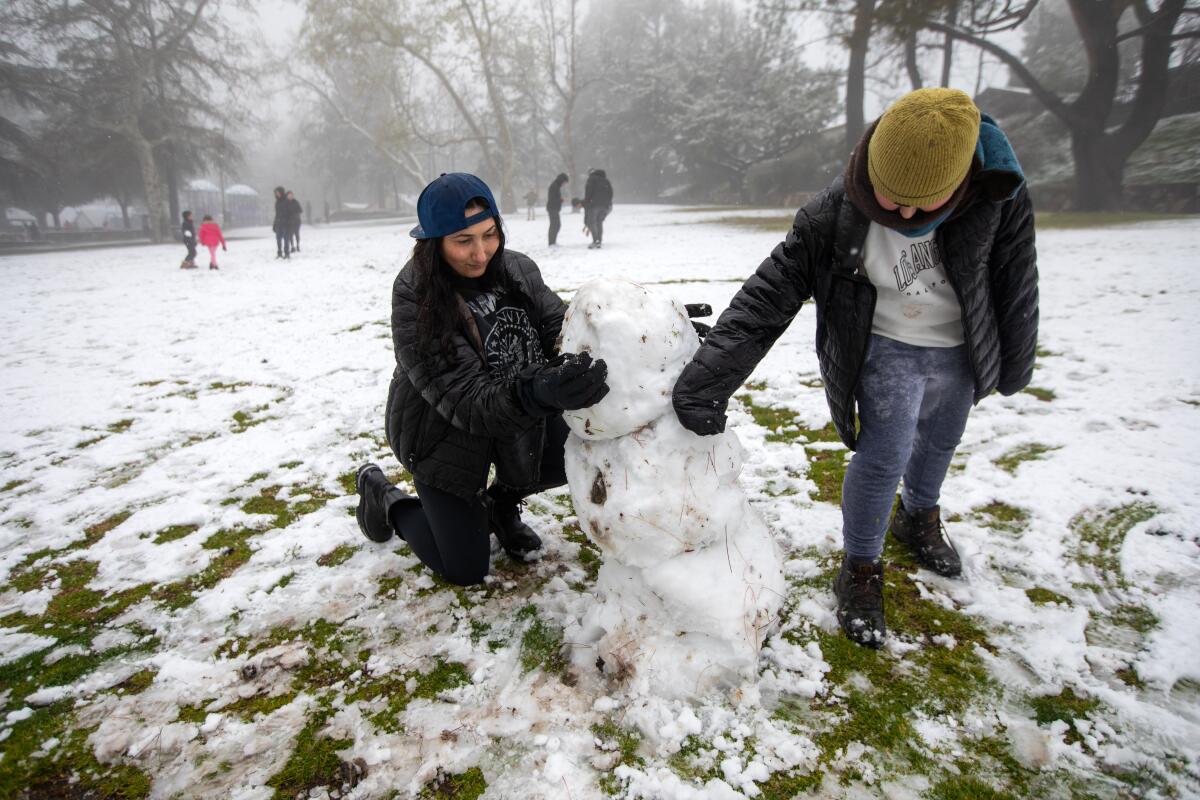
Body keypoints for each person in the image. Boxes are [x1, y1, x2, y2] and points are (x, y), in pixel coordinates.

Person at [671, 88, 1039, 648]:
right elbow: (768, 296)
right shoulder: (834, 210)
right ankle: (860, 566)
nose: (906, 215)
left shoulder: (999, 195)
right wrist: (708, 379)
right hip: (885, 342)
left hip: (957, 346)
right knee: (884, 451)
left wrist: (1014, 360)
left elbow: (1016, 277)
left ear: (961, 184)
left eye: (925, 203)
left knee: (942, 438)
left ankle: (918, 515)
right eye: (891, 201)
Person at [355, 173, 610, 587]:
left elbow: (564, 330)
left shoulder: (517, 270)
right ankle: (386, 498)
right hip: (445, 433)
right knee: (464, 568)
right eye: (463, 241)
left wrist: (632, 334)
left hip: (517, 417)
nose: (480, 253)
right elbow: (468, 400)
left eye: (489, 234)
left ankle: (500, 506)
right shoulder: (416, 295)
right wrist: (537, 391)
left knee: (579, 440)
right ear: (433, 242)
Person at [582, 168, 613, 249]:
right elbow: (611, 193)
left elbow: (588, 192)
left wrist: (587, 202)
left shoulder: (591, 179)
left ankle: (595, 240)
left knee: (592, 223)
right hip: (604, 205)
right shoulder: (606, 180)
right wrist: (607, 202)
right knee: (599, 222)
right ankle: (599, 241)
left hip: (594, 204)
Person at [546, 173, 568, 246]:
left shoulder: (556, 186)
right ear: (562, 180)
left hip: (554, 208)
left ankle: (553, 242)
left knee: (556, 225)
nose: (564, 184)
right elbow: (553, 199)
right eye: (564, 183)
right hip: (552, 208)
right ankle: (552, 242)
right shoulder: (554, 186)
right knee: (555, 225)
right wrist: (560, 200)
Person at [272, 186, 290, 259]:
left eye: (278, 192)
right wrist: (274, 224)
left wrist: (289, 222)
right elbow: (277, 214)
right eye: (276, 193)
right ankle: (279, 252)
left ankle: (286, 253)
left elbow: (289, 213)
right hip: (278, 223)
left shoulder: (286, 201)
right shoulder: (277, 202)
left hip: (285, 224)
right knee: (278, 239)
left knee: (286, 239)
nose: (277, 194)